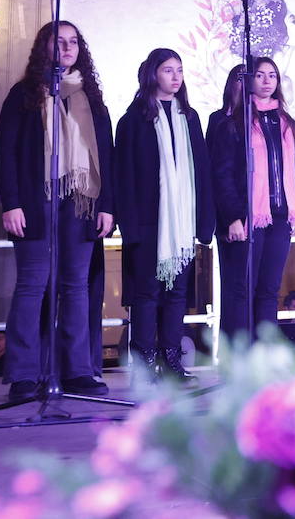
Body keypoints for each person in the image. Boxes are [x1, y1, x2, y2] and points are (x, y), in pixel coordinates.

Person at [0, 21, 114, 402]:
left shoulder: (91, 98)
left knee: (76, 287)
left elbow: (106, 158)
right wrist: (11, 202)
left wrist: (107, 207)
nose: (66, 47)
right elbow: (7, 153)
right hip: (34, 201)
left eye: (73, 42)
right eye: (58, 41)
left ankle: (78, 371)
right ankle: (24, 374)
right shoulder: (24, 94)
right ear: (43, 48)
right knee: (32, 285)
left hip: (81, 201)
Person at [114, 48, 216, 384]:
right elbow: (124, 176)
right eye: (168, 70)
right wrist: (127, 225)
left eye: (180, 71)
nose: (175, 77)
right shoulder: (133, 120)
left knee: (177, 295)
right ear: (152, 74)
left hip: (182, 224)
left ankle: (172, 364)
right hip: (147, 223)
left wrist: (205, 221)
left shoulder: (190, 117)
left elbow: (202, 171)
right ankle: (144, 369)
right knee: (147, 295)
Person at [210, 56, 295, 341]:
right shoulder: (235, 122)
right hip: (248, 216)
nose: (267, 81)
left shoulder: (287, 123)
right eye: (261, 75)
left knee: (269, 289)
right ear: (248, 80)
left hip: (280, 216)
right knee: (242, 288)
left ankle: (264, 355)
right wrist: (232, 216)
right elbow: (223, 174)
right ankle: (240, 358)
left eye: (273, 75)